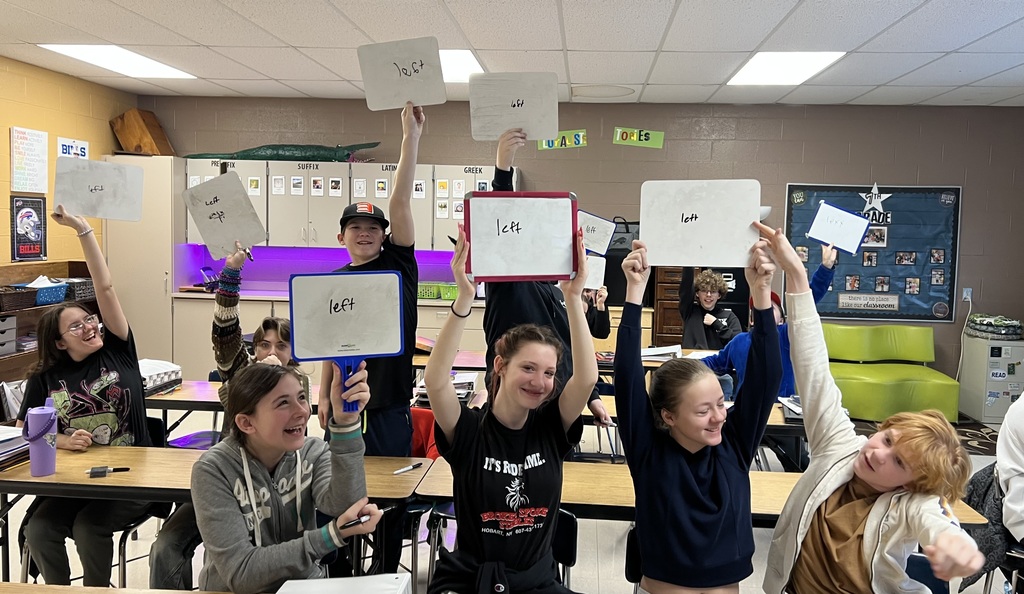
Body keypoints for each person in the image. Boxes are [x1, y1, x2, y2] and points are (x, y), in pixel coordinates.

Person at [759, 221, 984, 594]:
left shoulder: (908, 504)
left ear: (911, 483)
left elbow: (936, 520)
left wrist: (955, 544)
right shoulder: (839, 448)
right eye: (887, 438)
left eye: (899, 462)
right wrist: (796, 273)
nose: (879, 453)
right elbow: (812, 364)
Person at [424, 227, 597, 594]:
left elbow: (585, 377)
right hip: (473, 581)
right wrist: (463, 300)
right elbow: (436, 381)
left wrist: (574, 296)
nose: (540, 381)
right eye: (528, 368)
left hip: (536, 582)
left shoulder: (551, 427)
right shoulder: (469, 431)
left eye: (549, 373)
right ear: (500, 365)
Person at [614, 237, 782, 594]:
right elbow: (627, 377)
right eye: (704, 410)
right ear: (669, 416)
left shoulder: (733, 447)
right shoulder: (650, 454)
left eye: (721, 404)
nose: (718, 417)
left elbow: (765, 379)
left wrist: (762, 294)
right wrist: (633, 295)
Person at [150, 241, 305, 590]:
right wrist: (232, 271)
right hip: (225, 485)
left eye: (281, 346)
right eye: (264, 344)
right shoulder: (241, 375)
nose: (271, 352)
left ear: (293, 353)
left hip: (279, 494)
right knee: (166, 546)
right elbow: (224, 332)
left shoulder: (299, 383)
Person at [16, 205, 153, 586]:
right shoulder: (45, 377)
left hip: (130, 474)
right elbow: (27, 432)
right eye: (76, 327)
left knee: (89, 529)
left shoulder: (118, 349)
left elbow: (105, 287)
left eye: (88, 320)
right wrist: (63, 440)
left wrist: (81, 228)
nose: (89, 327)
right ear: (59, 343)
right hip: (77, 479)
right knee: (39, 530)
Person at [317, 101, 424, 573]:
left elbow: (399, 201)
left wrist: (409, 141)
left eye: (373, 228)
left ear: (385, 235)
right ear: (341, 236)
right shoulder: (335, 281)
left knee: (387, 500)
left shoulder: (399, 264)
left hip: (389, 404)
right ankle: (340, 577)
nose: (365, 233)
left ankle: (383, 576)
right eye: (355, 227)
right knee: (340, 499)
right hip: (343, 410)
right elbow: (327, 344)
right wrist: (322, 393)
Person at [191, 360, 381, 593]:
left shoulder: (313, 452)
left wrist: (347, 422)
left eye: (301, 397)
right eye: (283, 403)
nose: (302, 411)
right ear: (246, 422)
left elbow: (347, 506)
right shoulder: (214, 470)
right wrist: (329, 536)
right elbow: (241, 573)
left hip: (303, 588)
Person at [483, 128, 612, 428]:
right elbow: (500, 226)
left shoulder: (561, 294)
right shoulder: (511, 281)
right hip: (513, 407)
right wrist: (503, 169)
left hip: (559, 407)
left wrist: (592, 396)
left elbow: (569, 352)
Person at [677, 266, 742, 350]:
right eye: (704, 291)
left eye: (713, 291)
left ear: (719, 295)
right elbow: (686, 288)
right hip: (695, 361)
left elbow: (738, 342)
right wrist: (689, 264)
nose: (708, 295)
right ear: (697, 293)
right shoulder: (690, 311)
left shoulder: (729, 316)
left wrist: (717, 324)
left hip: (718, 361)